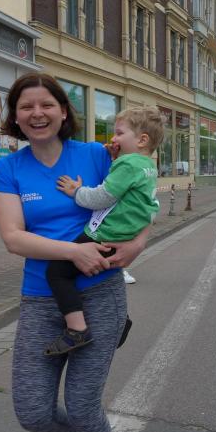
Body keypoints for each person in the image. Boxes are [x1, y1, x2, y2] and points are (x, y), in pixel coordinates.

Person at [0, 72, 148, 432]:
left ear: (62, 111)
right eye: (26, 106)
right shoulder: (7, 169)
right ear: (15, 117)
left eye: (46, 105)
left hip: (100, 293)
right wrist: (73, 252)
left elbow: (140, 198)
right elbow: (13, 238)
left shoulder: (96, 155)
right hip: (42, 298)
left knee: (81, 402)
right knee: (32, 411)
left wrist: (137, 244)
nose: (37, 113)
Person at [44, 107, 161, 356]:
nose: (113, 138)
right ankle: (119, 318)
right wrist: (116, 159)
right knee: (92, 275)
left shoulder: (128, 164)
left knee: (57, 272)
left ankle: (77, 329)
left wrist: (76, 191)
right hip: (124, 235)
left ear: (142, 140)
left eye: (119, 133)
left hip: (105, 234)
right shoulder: (148, 166)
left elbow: (102, 197)